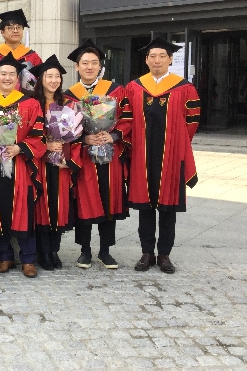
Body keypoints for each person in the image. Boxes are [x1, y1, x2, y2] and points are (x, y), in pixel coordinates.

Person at [117, 37, 200, 274]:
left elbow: (192, 121)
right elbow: (126, 119)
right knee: (145, 206)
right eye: (152, 56)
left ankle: (164, 254)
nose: (157, 60)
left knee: (168, 207)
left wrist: (177, 144)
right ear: (146, 60)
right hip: (141, 154)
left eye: (162, 56)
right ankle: (146, 253)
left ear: (170, 59)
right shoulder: (134, 87)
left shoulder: (184, 88)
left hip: (170, 155)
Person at [0, 52, 46, 278]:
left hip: (21, 165)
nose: (7, 78)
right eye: (3, 74)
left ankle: (28, 259)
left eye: (12, 74)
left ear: (18, 78)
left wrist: (20, 148)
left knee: (23, 209)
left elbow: (39, 133)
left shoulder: (30, 103)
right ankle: (5, 257)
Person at [64, 40, 128, 269]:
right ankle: (85, 250)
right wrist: (84, 138)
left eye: (94, 62)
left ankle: (105, 250)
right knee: (84, 201)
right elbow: (64, 128)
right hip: (84, 156)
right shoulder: (69, 96)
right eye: (85, 63)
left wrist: (113, 135)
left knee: (108, 199)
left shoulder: (115, 91)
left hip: (109, 154)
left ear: (100, 66)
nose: (89, 67)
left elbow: (127, 118)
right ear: (77, 67)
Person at [31, 55, 78, 271]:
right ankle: (43, 252)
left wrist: (69, 160)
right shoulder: (32, 104)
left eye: (57, 76)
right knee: (42, 204)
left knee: (58, 205)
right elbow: (25, 133)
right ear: (41, 79)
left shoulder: (68, 104)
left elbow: (77, 135)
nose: (53, 80)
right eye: (49, 76)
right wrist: (46, 145)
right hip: (40, 161)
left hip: (61, 162)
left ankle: (54, 251)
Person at [0, 9, 42, 97]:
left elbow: (40, 84)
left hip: (26, 102)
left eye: (19, 27)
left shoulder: (33, 57)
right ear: (2, 32)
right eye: (10, 28)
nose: (15, 31)